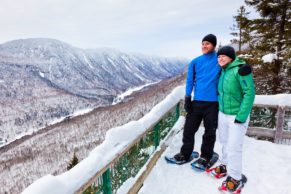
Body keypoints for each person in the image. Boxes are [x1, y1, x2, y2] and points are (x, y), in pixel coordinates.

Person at [173, 34, 221, 167]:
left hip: (213, 104)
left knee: (209, 132)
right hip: (197, 102)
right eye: (203, 43)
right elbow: (190, 81)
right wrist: (188, 97)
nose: (204, 46)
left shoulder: (220, 60)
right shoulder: (195, 62)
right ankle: (185, 153)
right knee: (188, 129)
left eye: (208, 43)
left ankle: (206, 156)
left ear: (214, 45)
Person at [212, 46, 255, 192]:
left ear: (231, 57)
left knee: (234, 147)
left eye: (223, 56)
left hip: (236, 115)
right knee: (224, 141)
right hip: (223, 113)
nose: (220, 59)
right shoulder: (223, 71)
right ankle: (225, 164)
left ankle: (235, 177)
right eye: (218, 56)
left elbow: (249, 93)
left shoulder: (240, 70)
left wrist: (241, 116)